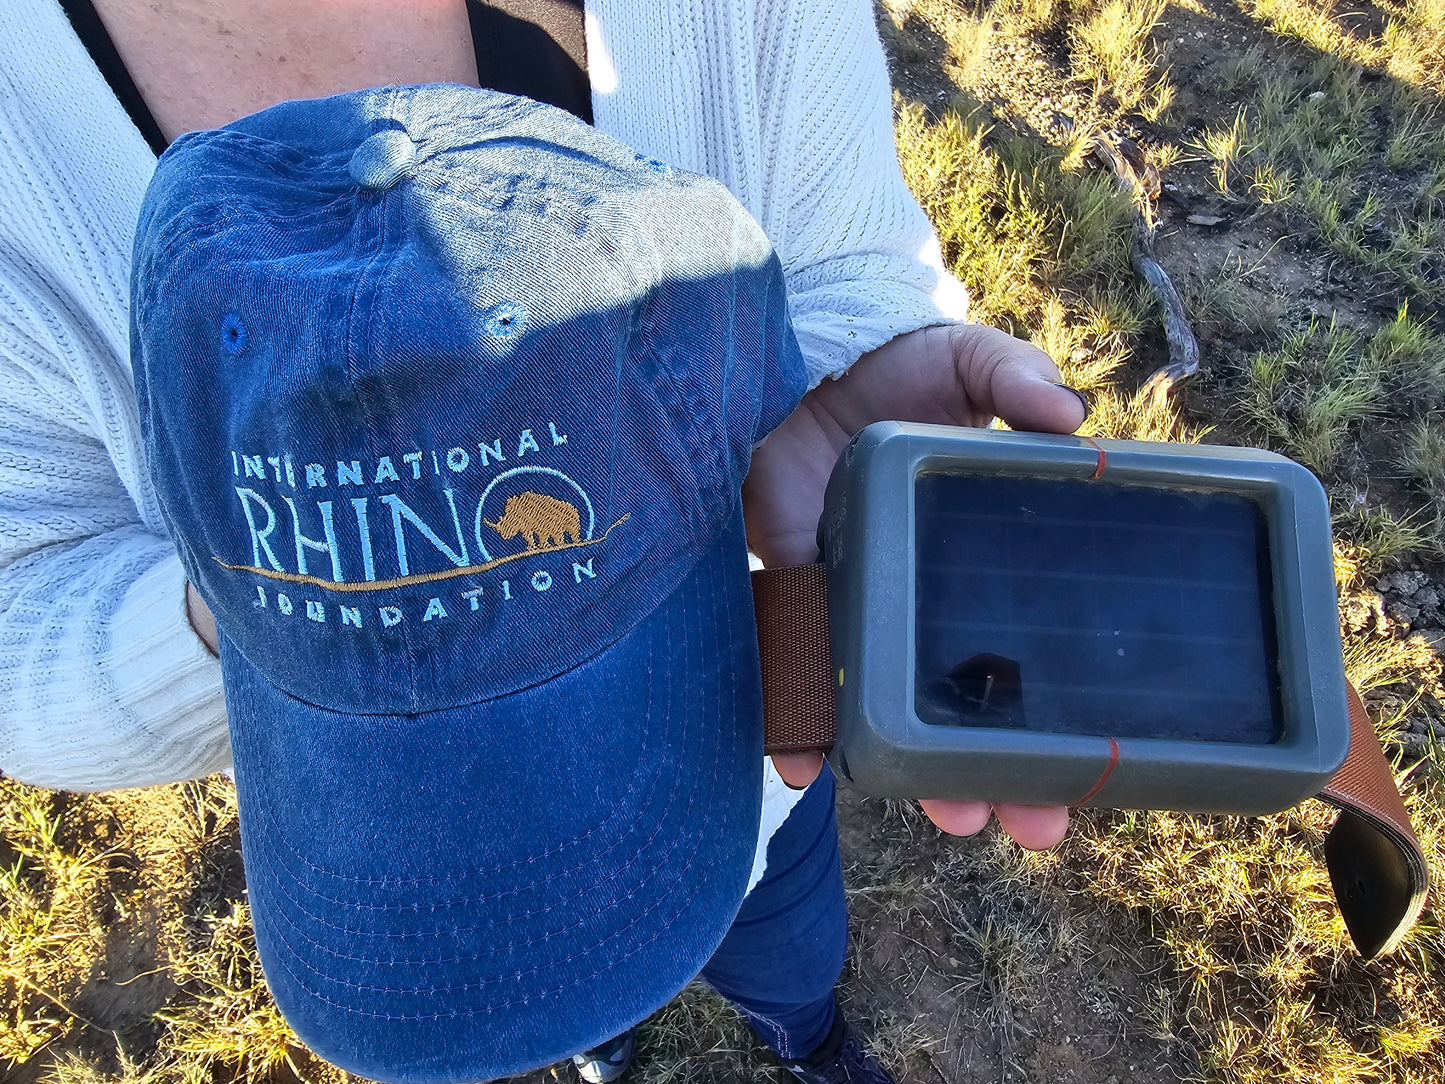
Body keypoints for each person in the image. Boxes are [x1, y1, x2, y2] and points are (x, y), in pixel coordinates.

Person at [0, 2, 1085, 1081]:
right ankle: (597, 1035)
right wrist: (268, 605)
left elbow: (849, 252)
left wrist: (831, 397)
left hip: (733, 730)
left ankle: (802, 1032)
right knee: (536, 982)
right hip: (383, 793)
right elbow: (20, 600)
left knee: (781, 932)